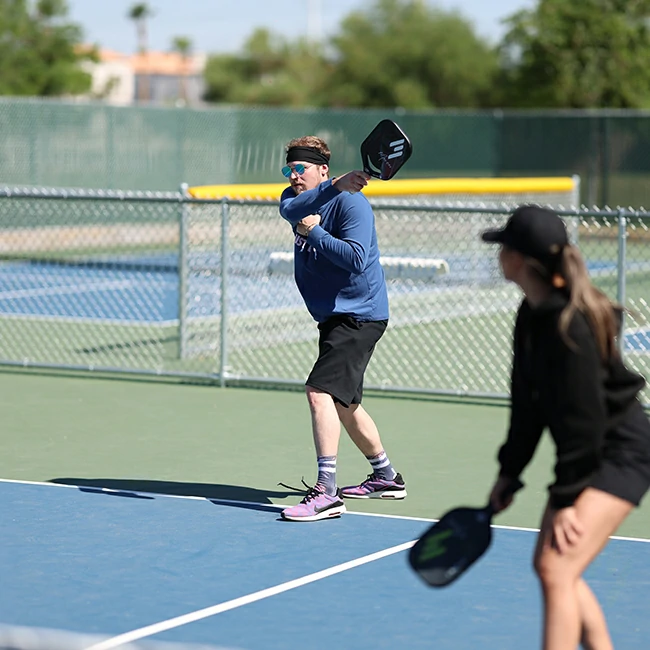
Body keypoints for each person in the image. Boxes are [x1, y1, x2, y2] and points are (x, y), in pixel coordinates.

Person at [482, 205, 650, 650]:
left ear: (520, 259)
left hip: (621, 453)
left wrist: (569, 498)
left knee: (557, 567)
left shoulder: (566, 324)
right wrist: (510, 472)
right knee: (554, 567)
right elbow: (527, 408)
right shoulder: (531, 315)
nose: (498, 256)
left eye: (504, 248)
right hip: (592, 450)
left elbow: (585, 422)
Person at [278, 135, 406, 522]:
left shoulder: (352, 203)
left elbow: (355, 259)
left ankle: (327, 492)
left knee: (319, 392)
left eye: (301, 169)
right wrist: (325, 197)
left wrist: (316, 232)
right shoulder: (292, 200)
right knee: (344, 403)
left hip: (359, 315)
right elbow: (292, 211)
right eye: (289, 169)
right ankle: (386, 476)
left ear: (322, 169)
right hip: (335, 317)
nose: (293, 176)